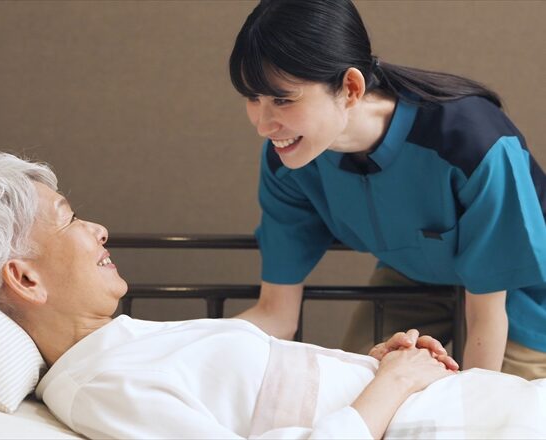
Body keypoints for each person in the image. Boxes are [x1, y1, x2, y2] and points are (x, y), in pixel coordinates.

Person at [0, 152, 545, 439]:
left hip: (462, 406)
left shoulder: (121, 346)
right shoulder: (101, 386)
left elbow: (269, 399)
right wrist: (390, 387)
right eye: (69, 219)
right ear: (26, 279)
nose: (99, 229)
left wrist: (374, 365)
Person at [228, 0, 546, 380]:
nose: (263, 125)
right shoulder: (289, 162)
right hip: (414, 280)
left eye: (282, 99)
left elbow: (486, 317)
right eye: (253, 98)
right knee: (355, 384)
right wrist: (175, 347)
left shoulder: (473, 144)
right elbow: (276, 314)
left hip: (522, 293)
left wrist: (474, 402)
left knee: (504, 404)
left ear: (350, 88)